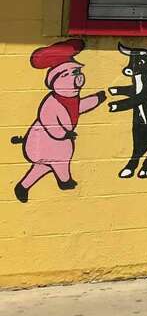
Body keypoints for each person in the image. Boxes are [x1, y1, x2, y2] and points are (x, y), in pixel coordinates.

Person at [11, 39, 106, 203]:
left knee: (42, 167)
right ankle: (65, 182)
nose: (77, 80)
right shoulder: (52, 102)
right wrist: (64, 133)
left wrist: (97, 99)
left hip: (54, 144)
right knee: (59, 162)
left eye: (77, 74)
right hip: (47, 141)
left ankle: (23, 186)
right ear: (57, 79)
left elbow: (80, 107)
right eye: (71, 74)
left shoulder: (70, 100)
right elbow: (49, 123)